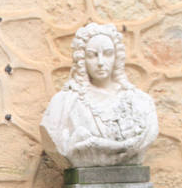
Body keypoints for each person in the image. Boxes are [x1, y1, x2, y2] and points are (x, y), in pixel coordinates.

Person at [40, 22, 158, 167]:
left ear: (117, 57)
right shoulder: (64, 103)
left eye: (108, 54)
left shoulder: (140, 101)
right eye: (92, 55)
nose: (100, 62)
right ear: (82, 59)